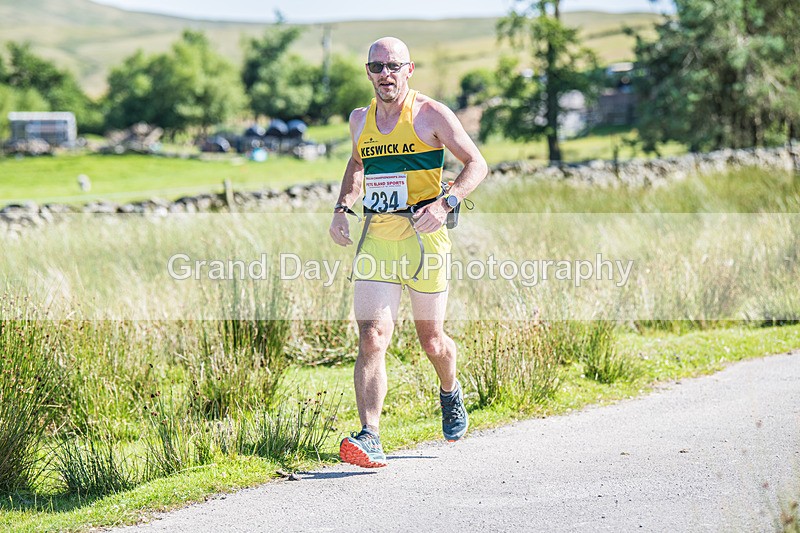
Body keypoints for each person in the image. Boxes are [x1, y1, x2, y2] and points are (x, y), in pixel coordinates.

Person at [329, 36, 488, 468]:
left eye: (394, 66)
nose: (386, 74)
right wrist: (343, 207)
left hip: (425, 239)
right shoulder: (359, 120)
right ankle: (371, 436)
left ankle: (450, 391)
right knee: (372, 336)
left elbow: (476, 164)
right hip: (379, 237)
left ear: (409, 70)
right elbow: (358, 162)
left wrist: (445, 203)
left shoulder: (430, 114)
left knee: (432, 341)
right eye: (377, 67)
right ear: (368, 72)